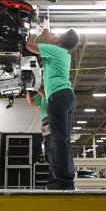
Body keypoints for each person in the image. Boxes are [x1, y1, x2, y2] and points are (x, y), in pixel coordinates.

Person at [27, 25, 80, 190]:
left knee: (59, 140)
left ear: (61, 40)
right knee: (62, 140)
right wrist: (45, 28)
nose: (55, 36)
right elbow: (50, 39)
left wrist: (32, 33)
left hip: (58, 97)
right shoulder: (62, 52)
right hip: (65, 96)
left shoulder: (55, 50)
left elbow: (29, 46)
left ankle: (64, 182)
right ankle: (66, 179)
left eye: (59, 35)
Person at [26, 87, 54, 185]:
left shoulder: (49, 94)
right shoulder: (41, 97)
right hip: (45, 124)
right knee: (48, 151)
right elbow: (30, 102)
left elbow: (43, 93)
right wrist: (27, 91)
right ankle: (52, 177)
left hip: (51, 121)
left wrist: (34, 86)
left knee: (51, 150)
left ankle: (54, 178)